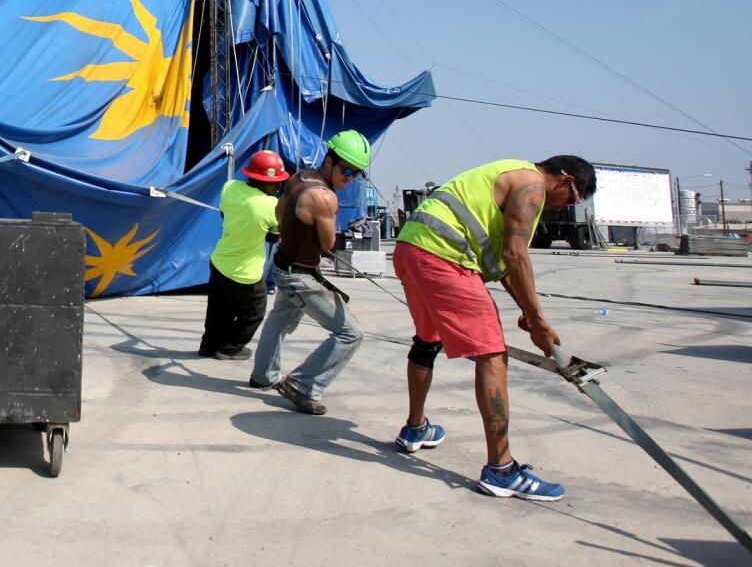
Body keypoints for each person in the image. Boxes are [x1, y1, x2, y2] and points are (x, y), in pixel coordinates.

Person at [391, 155, 596, 502]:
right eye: (572, 199)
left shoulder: (505, 174)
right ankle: (501, 469)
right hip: (446, 257)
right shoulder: (532, 186)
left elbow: (501, 264)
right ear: (565, 180)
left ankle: (415, 428)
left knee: (428, 341)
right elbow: (516, 254)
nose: (565, 208)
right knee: (492, 354)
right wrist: (540, 321)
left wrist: (528, 314)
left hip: (412, 250)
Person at [249, 130, 370, 415]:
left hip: (283, 265)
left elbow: (279, 212)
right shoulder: (324, 198)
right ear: (330, 160)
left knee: (278, 322)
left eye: (357, 174)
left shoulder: (298, 178)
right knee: (350, 333)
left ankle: (264, 375)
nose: (350, 178)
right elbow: (328, 244)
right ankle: (303, 386)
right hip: (300, 277)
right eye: (347, 170)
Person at [199, 150, 290, 360]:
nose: (278, 186)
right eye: (274, 182)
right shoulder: (270, 206)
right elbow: (273, 237)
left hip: (220, 261)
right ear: (258, 180)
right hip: (244, 273)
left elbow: (223, 213)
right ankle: (230, 348)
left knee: (218, 309)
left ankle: (208, 346)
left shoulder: (230, 188)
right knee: (254, 311)